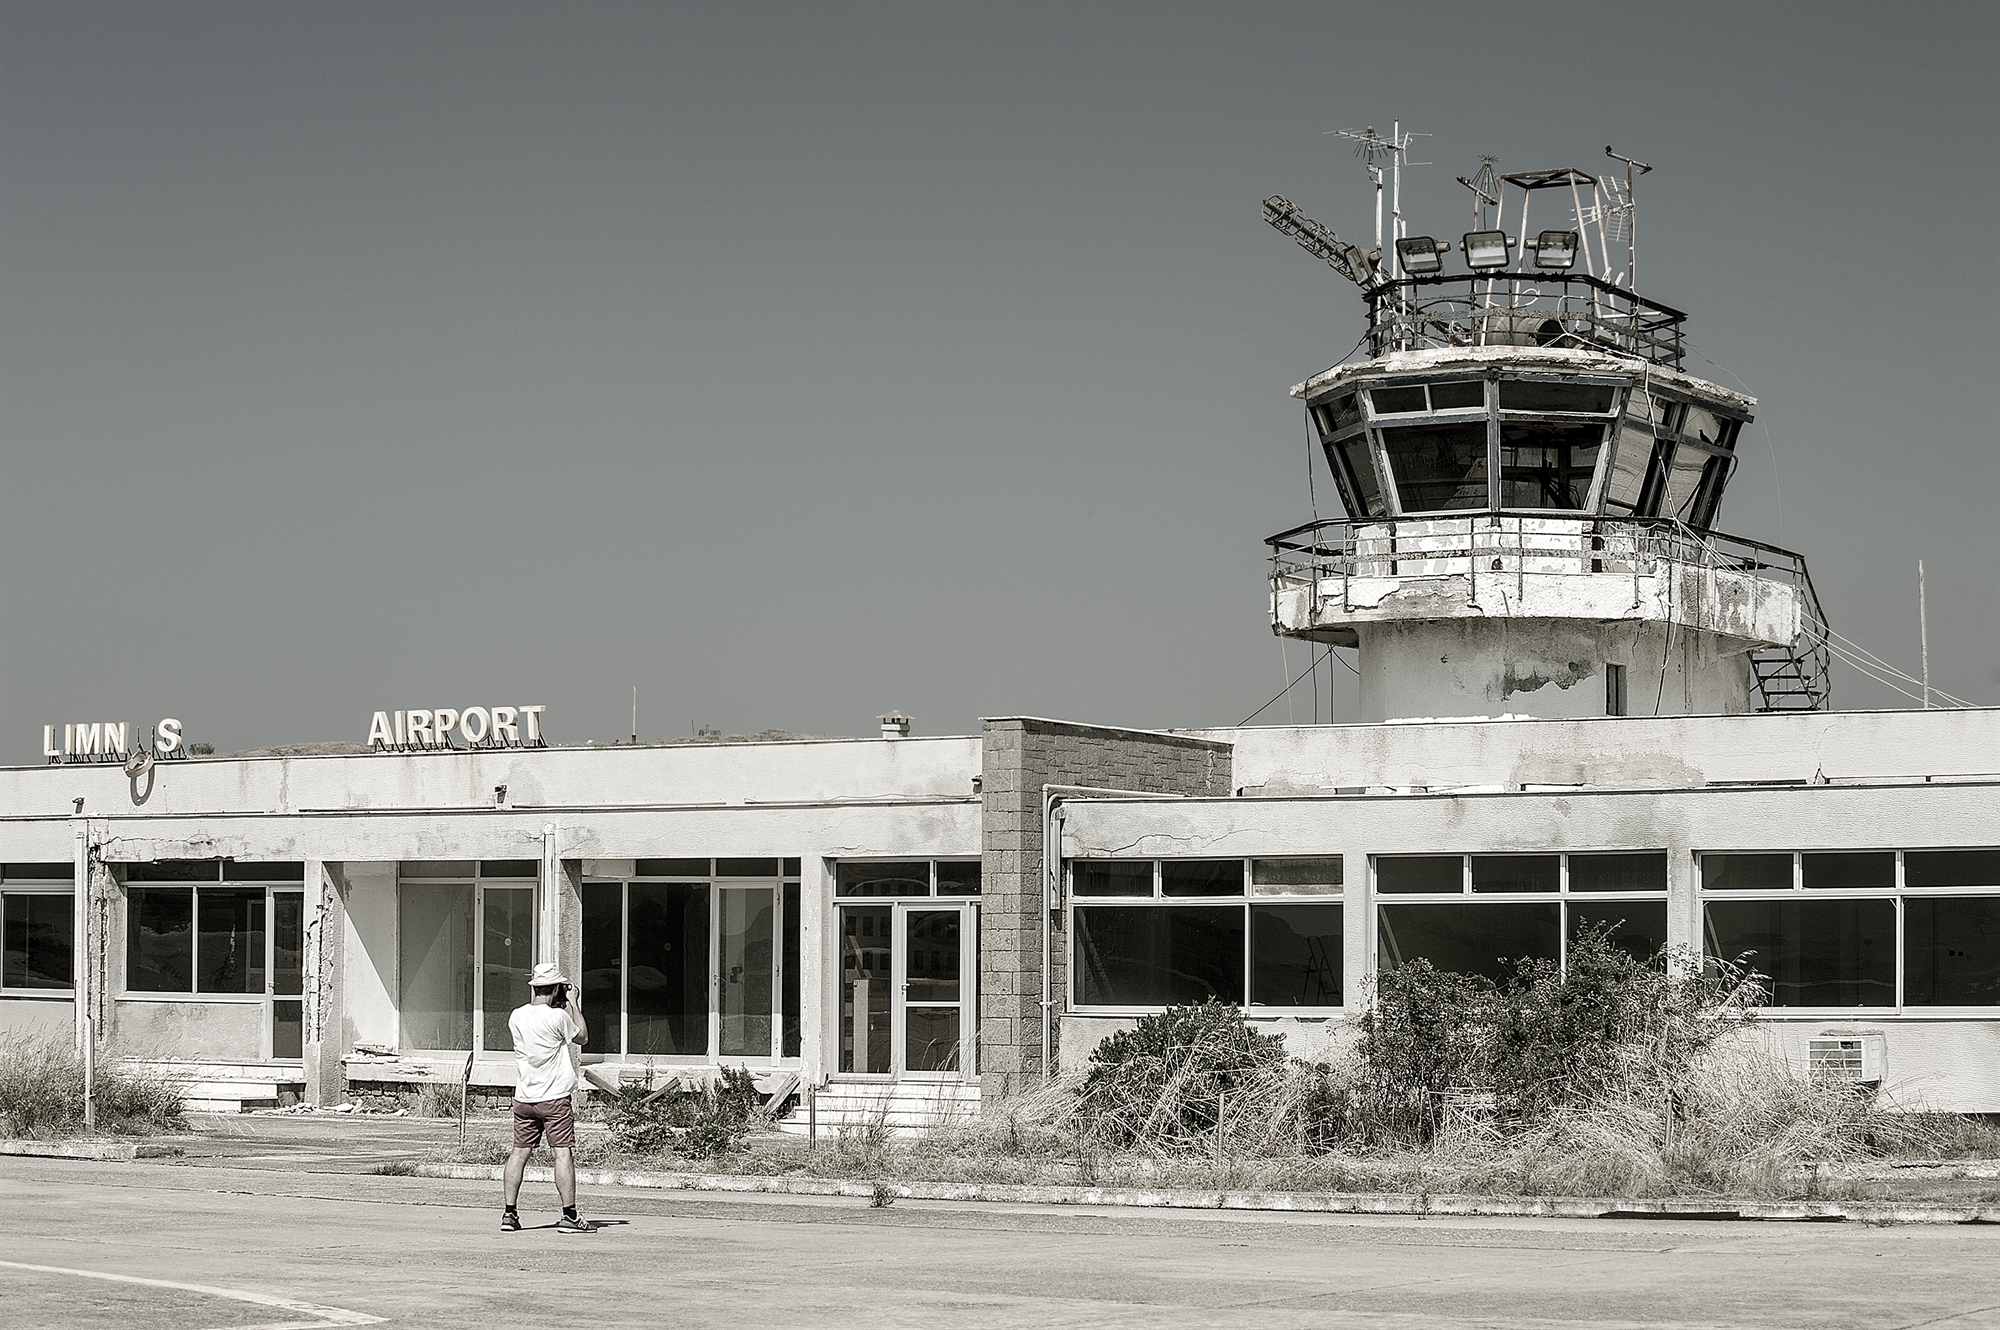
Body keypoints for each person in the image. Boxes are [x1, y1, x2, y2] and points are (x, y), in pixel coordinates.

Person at [501, 962, 595, 1234]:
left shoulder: (516, 1016)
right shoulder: (558, 1017)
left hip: (524, 1097)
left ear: (534, 987)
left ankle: (509, 1214)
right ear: (555, 988)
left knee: (519, 1153)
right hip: (554, 1098)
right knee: (562, 1153)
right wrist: (573, 1002)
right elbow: (583, 1037)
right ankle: (570, 1215)